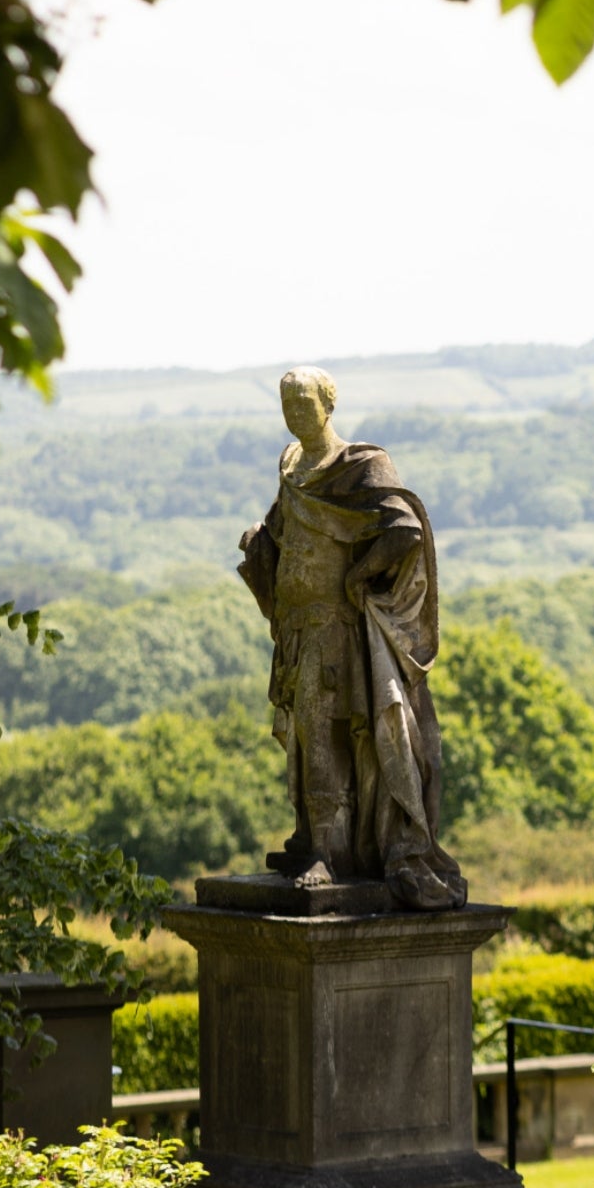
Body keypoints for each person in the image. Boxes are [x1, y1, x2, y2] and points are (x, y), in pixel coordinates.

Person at [235, 366, 466, 910]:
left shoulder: (360, 464)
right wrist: (262, 545)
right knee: (304, 738)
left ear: (329, 405)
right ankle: (316, 839)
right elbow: (285, 529)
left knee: (323, 731)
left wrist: (362, 575)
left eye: (304, 403)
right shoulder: (293, 467)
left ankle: (327, 855)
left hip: (336, 628)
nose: (295, 413)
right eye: (287, 403)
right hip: (296, 625)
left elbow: (404, 527)